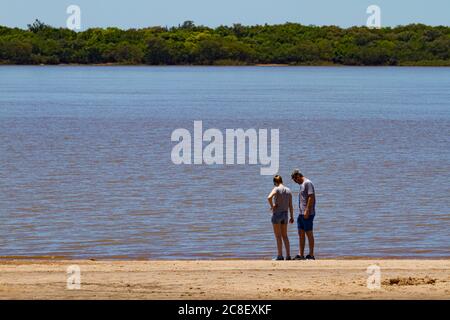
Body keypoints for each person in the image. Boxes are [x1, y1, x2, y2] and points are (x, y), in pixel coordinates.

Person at [267, 175, 294, 261]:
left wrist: (272, 206)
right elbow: (291, 206)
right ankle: (288, 256)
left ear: (275, 182)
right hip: (285, 214)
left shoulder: (276, 189)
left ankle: (280, 256)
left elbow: (269, 197)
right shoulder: (288, 190)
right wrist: (292, 216)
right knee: (285, 236)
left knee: (278, 236)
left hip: (277, 214)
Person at [291, 169, 316, 260]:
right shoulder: (301, 185)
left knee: (309, 233)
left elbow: (311, 197)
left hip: (308, 213)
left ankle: (311, 255)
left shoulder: (307, 183)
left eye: (295, 180)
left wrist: (307, 210)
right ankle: (300, 254)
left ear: (298, 176)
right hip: (301, 213)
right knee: (300, 233)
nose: (295, 182)